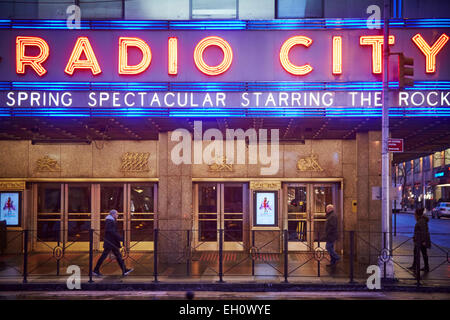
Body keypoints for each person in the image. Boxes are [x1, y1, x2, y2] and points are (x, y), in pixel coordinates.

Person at [93, 209, 133, 277]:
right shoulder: (110, 221)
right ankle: (95, 270)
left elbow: (112, 231)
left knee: (118, 256)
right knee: (105, 256)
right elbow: (111, 231)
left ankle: (124, 270)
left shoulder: (111, 220)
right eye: (116, 214)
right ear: (113, 214)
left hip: (112, 242)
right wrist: (120, 238)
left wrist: (119, 238)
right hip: (110, 242)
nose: (117, 215)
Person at [408, 208, 431, 273]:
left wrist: (423, 241)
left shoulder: (421, 221)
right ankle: (417, 266)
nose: (414, 216)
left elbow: (423, 231)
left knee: (422, 253)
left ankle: (424, 267)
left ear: (417, 215)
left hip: (421, 241)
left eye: (415, 214)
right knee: (418, 252)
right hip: (419, 240)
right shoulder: (421, 220)